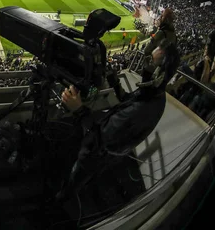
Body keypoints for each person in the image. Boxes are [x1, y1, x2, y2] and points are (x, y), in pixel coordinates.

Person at [58, 39, 179, 200]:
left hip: (100, 150)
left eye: (150, 62)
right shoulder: (154, 93)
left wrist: (79, 109)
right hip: (113, 142)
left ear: (158, 74)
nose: (145, 65)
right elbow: (128, 99)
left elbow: (98, 140)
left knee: (80, 171)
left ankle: (65, 196)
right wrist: (114, 81)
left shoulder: (141, 109)